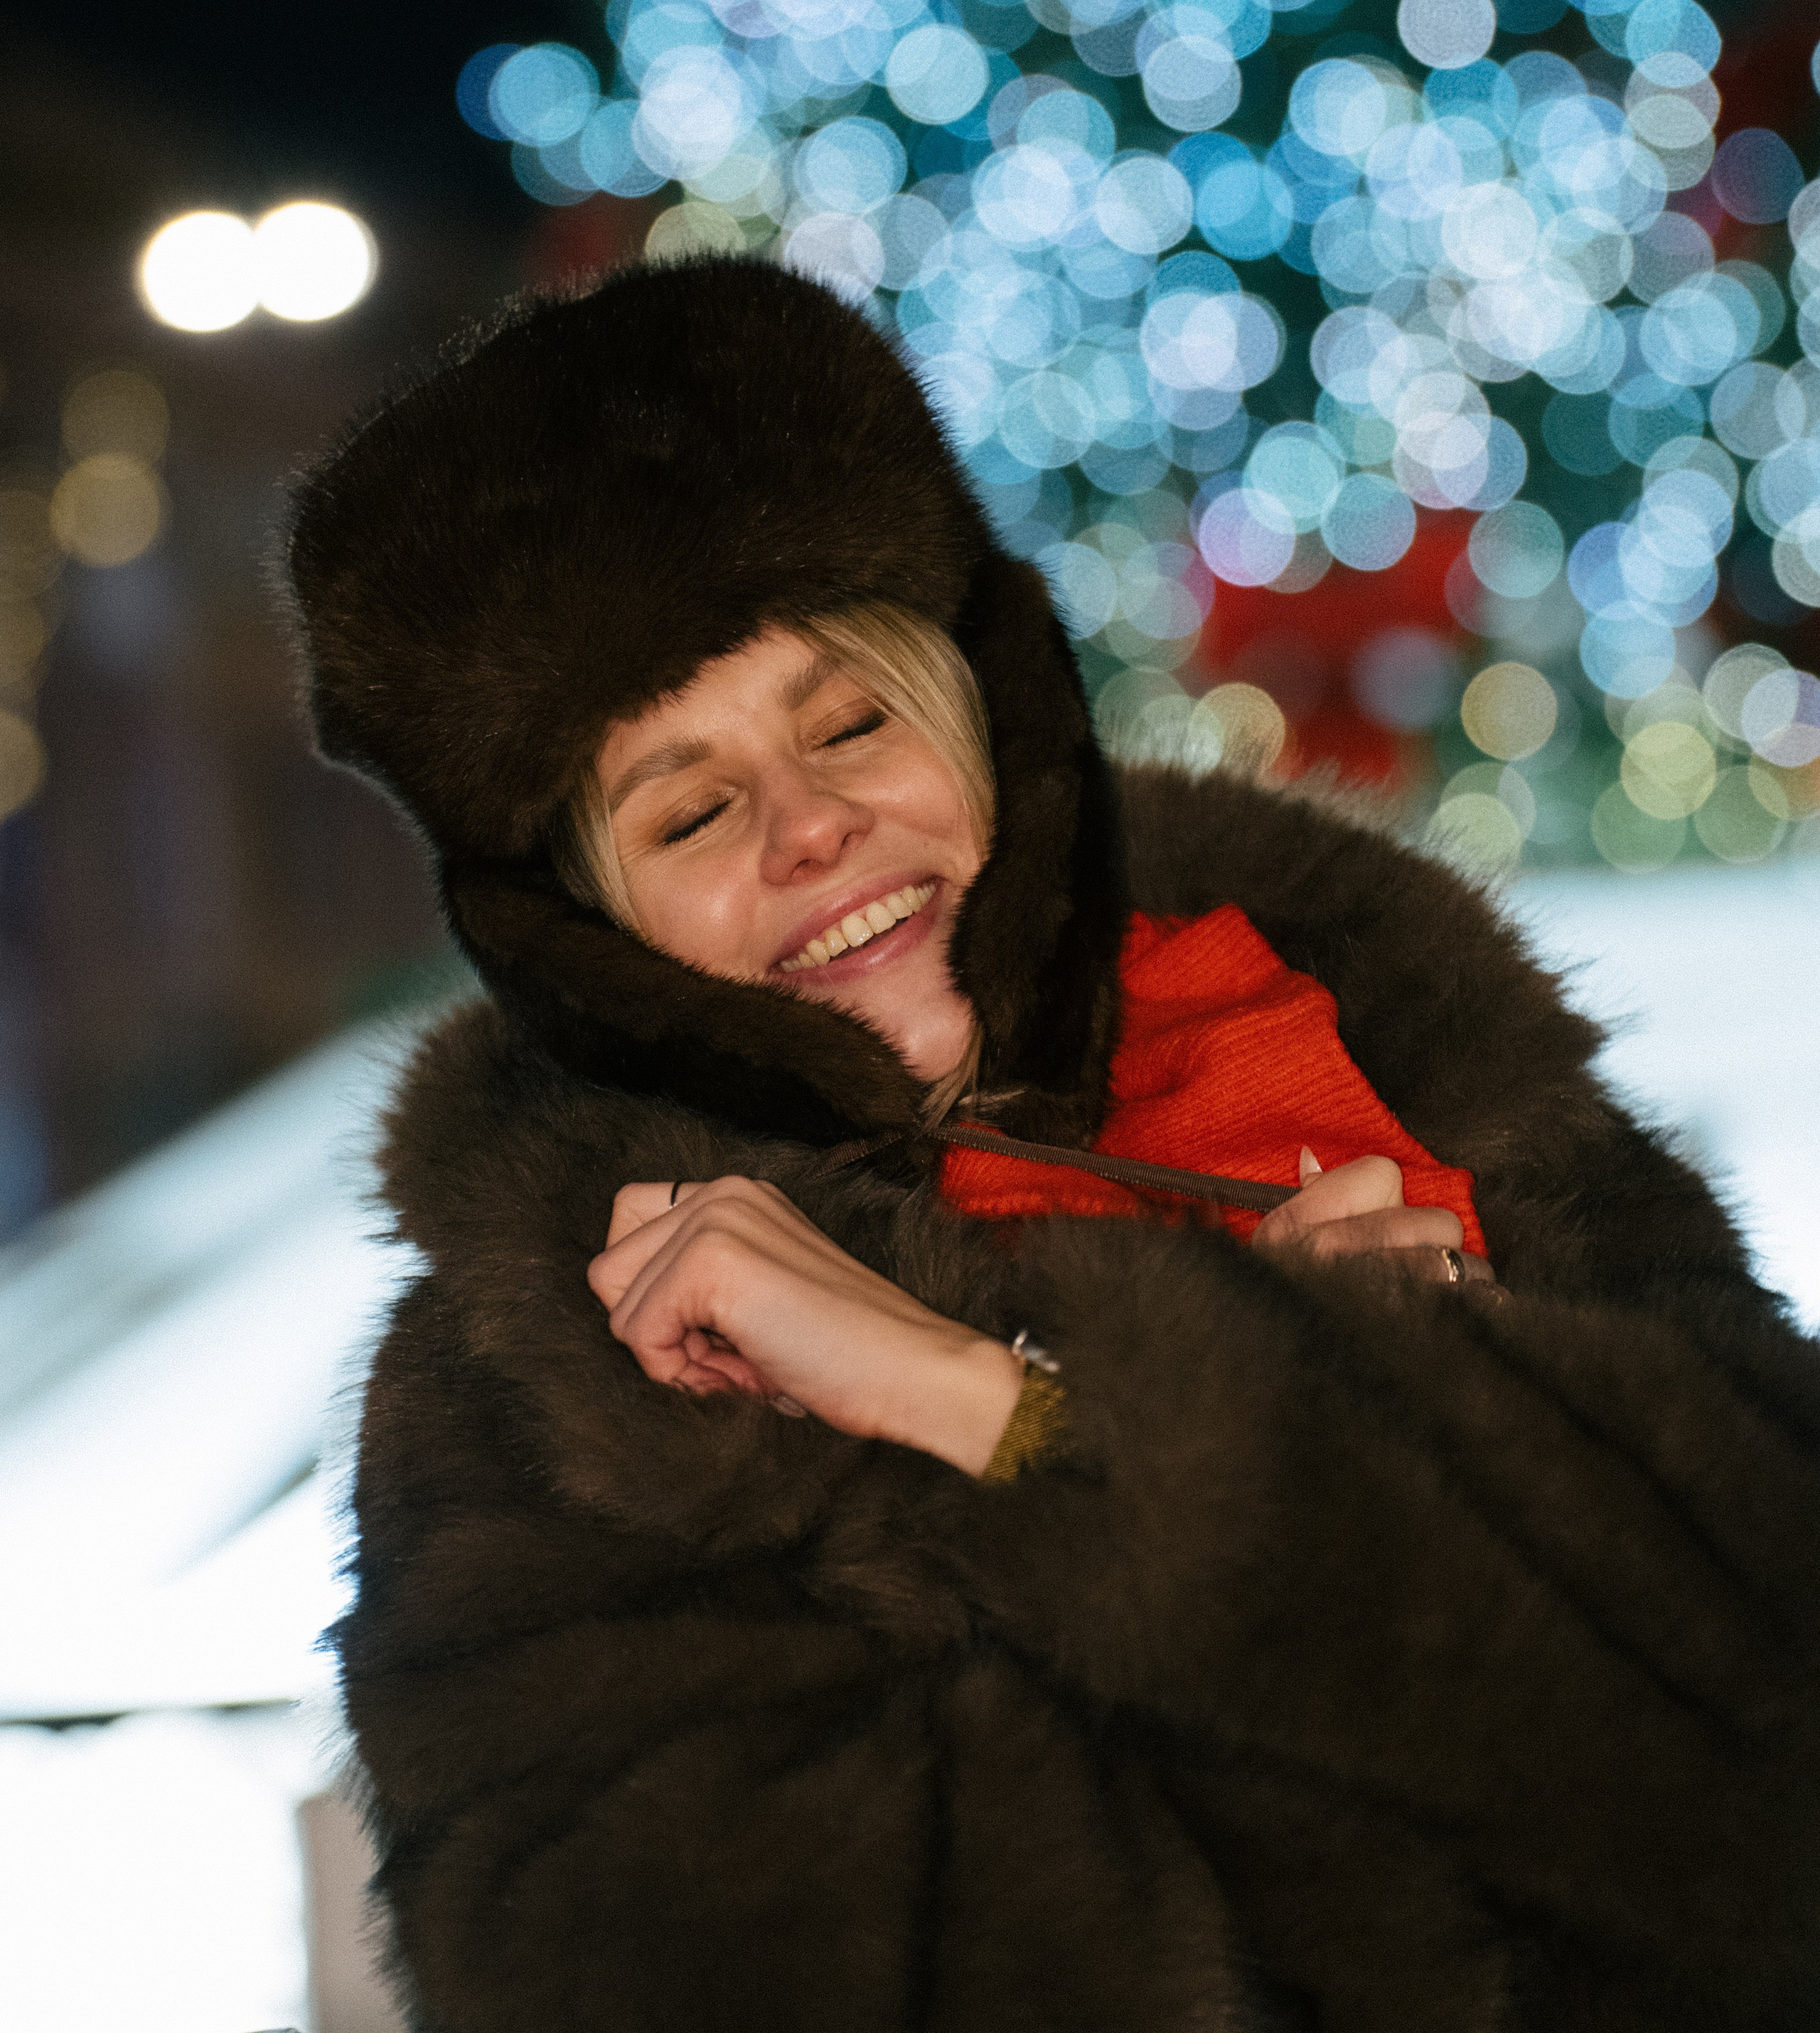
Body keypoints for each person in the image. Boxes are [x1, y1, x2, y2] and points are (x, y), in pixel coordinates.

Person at [284, 256, 1819, 2033]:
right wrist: (1354, 1469)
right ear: (583, 929)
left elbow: (1765, 1749)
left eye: (851, 720)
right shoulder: (549, 1373)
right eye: (692, 807)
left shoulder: (1391, 1043)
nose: (812, 829)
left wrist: (993, 1405)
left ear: (981, 706)